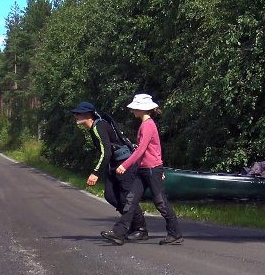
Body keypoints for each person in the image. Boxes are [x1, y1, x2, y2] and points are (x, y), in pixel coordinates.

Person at [102, 93, 183, 245]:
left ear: (142, 109)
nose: (133, 110)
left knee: (160, 202)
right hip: (144, 169)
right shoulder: (145, 125)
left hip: (152, 170)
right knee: (131, 201)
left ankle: (175, 233)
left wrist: (124, 165)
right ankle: (119, 233)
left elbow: (141, 151)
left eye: (135, 108)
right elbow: (154, 149)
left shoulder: (148, 126)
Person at [71, 101, 148, 240]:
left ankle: (140, 229)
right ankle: (132, 224)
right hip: (114, 164)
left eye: (78, 113)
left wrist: (95, 172)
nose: (75, 116)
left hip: (125, 164)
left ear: (88, 115)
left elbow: (106, 152)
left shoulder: (98, 126)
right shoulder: (94, 127)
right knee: (111, 196)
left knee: (127, 198)